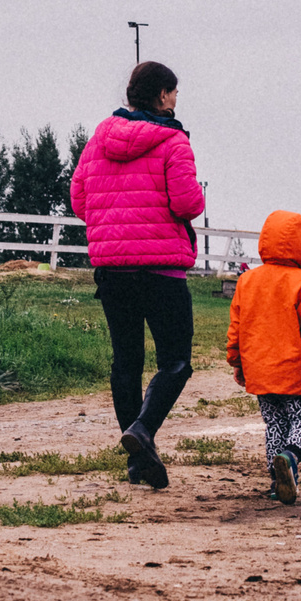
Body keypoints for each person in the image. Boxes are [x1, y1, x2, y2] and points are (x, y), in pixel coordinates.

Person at [68, 61, 205, 489]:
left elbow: (79, 198)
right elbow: (186, 204)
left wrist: (113, 223)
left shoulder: (98, 141)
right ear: (162, 95)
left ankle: (138, 460)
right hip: (161, 269)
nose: (177, 100)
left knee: (126, 362)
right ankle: (143, 431)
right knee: (176, 362)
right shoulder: (173, 141)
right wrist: (198, 191)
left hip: (112, 270)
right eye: (174, 92)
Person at [225, 208, 301, 504]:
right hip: (295, 372)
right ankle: (290, 458)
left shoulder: (247, 281)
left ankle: (278, 483)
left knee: (274, 423)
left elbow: (236, 327)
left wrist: (237, 361)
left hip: (260, 372)